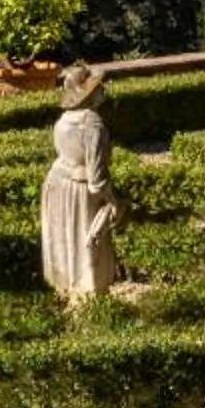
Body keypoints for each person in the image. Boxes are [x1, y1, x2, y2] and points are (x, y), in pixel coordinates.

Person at [41, 62, 121, 299]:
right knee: (87, 244)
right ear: (90, 93)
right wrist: (113, 201)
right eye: (98, 87)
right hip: (79, 190)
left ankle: (68, 291)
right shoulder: (92, 124)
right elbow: (97, 178)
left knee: (64, 238)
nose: (102, 90)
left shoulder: (64, 120)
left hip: (56, 183)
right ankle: (90, 300)